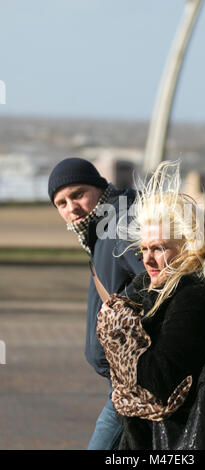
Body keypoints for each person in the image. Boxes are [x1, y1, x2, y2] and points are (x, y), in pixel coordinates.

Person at [96, 160, 205, 449]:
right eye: (144, 249)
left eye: (160, 248)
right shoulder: (147, 294)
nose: (147, 259)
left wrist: (119, 334)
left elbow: (159, 379)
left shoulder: (194, 298)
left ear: (188, 249)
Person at [48, 157, 144, 450]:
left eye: (78, 194)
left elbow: (160, 283)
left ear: (100, 187)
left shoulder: (120, 223)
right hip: (126, 375)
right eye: (61, 203)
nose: (71, 208)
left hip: (136, 380)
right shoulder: (103, 227)